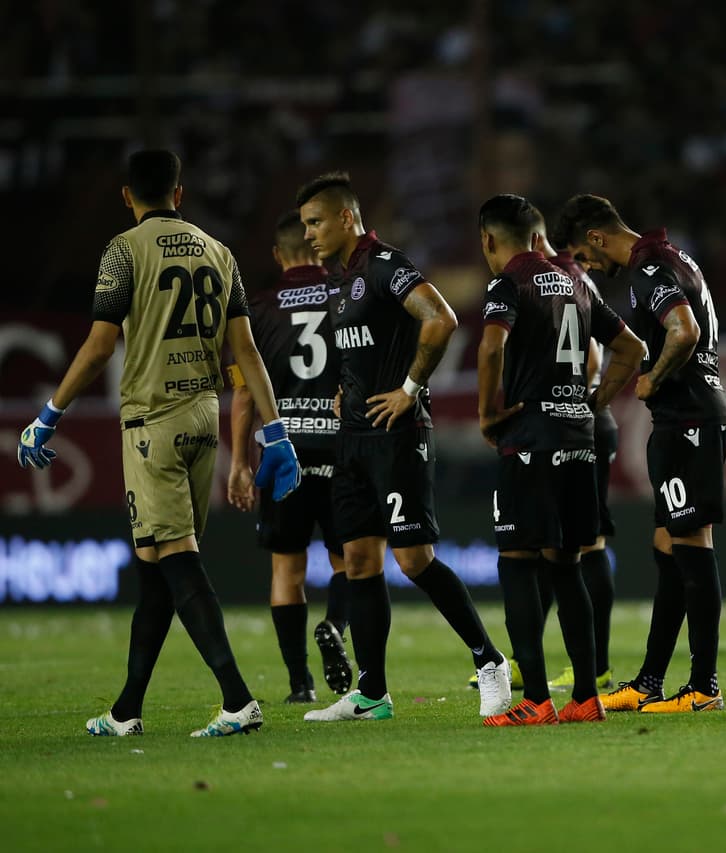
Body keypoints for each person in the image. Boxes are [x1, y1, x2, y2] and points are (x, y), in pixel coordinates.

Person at [18, 149, 298, 737]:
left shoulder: (124, 250)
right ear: (180, 192)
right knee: (155, 568)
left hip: (153, 425)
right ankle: (126, 711)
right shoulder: (218, 252)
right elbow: (246, 353)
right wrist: (276, 434)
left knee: (176, 557)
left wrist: (49, 413)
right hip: (204, 419)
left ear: (128, 196)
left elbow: (99, 347)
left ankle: (237, 698)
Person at [293, 172, 511, 723]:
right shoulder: (341, 280)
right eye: (303, 226)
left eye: (316, 222)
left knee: (413, 559)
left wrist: (409, 390)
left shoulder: (385, 265)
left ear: (346, 218)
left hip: (397, 438)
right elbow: (362, 349)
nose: (309, 235)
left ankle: (490, 662)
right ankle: (371, 693)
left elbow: (441, 319)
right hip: (353, 441)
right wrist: (350, 390)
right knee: (360, 562)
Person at [557, 193, 726, 714]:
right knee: (669, 547)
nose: (589, 268)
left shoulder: (648, 267)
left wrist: (653, 377)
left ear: (595, 238)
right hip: (690, 416)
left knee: (692, 540)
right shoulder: (671, 257)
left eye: (585, 257)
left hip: (691, 418)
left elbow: (685, 330)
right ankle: (651, 680)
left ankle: (704, 685)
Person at [475, 194, 645, 725]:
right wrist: (591, 402)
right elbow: (631, 349)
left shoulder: (507, 284)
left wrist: (486, 413)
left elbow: (489, 348)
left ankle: (538, 700)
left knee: (517, 562)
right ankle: (586, 697)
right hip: (579, 438)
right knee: (567, 564)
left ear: (489, 240)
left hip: (529, 440)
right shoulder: (576, 282)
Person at [227, 211, 352, 704]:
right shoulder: (345, 295)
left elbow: (242, 396)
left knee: (287, 570)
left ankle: (300, 684)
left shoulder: (257, 309)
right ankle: (337, 626)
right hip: (342, 447)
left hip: (284, 452)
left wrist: (239, 461)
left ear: (278, 255)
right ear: (316, 247)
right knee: (350, 560)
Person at [544, 228, 622, 693]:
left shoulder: (561, 278)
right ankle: (577, 661)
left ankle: (595, 665)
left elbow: (593, 354)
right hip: (585, 418)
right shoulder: (571, 277)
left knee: (583, 542)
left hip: (579, 419)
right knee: (561, 541)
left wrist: (580, 399)